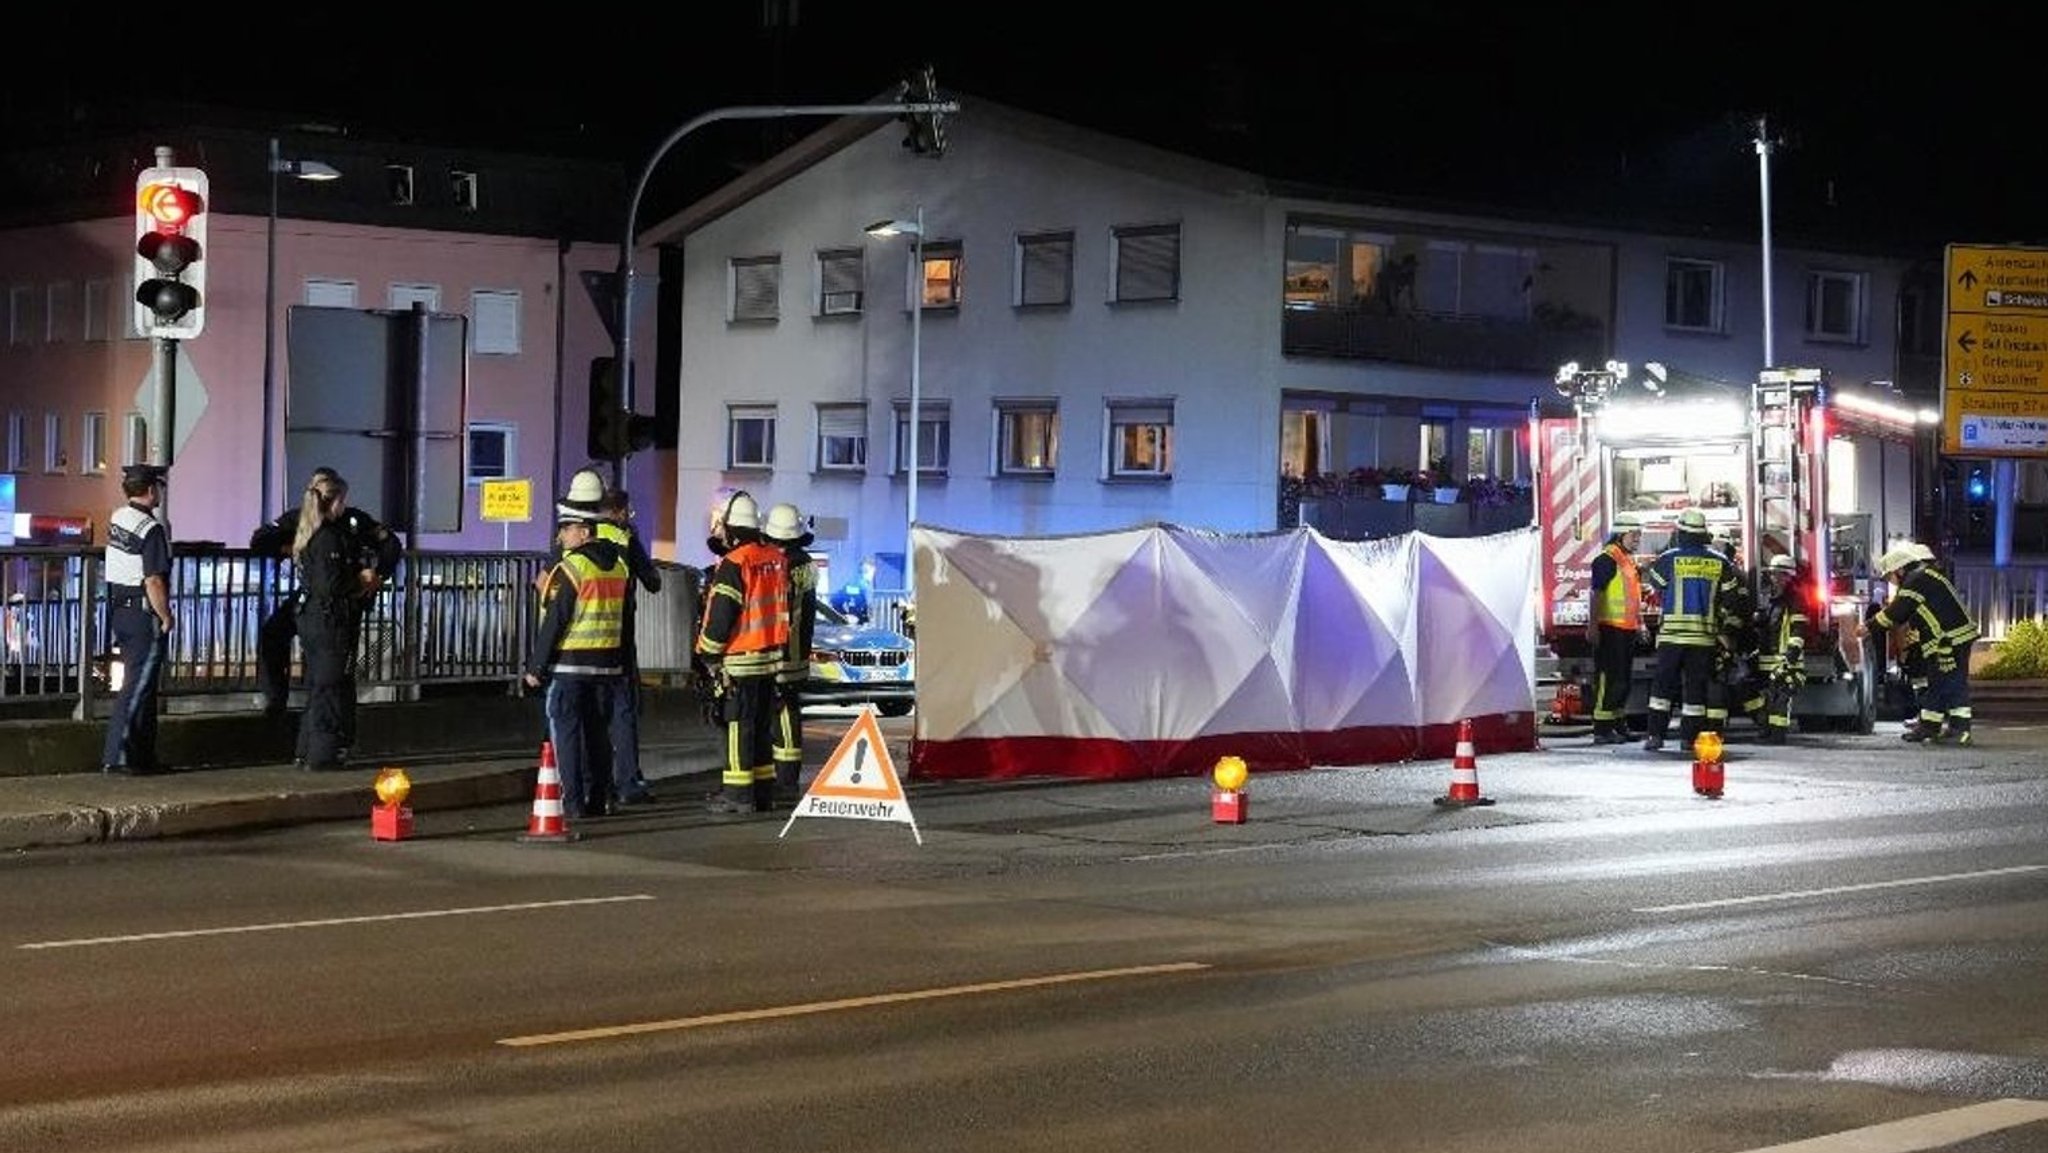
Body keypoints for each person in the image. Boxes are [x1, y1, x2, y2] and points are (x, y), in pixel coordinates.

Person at [252, 466, 401, 722]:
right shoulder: (299, 518)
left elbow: (390, 543)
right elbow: (261, 540)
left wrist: (378, 576)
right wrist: (288, 549)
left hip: (344, 601)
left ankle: (332, 724)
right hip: (312, 598)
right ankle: (277, 699)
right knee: (274, 635)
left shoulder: (353, 521)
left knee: (335, 668)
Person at [523, 503, 630, 818]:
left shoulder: (572, 568)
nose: (561, 537)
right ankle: (601, 798)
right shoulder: (618, 567)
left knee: (565, 731)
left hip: (571, 664)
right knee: (598, 733)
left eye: (566, 529)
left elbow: (555, 619)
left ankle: (572, 804)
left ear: (584, 532)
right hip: (607, 663)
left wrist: (535, 668)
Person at [696, 491, 789, 814]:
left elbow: (722, 614)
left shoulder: (735, 563)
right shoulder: (775, 558)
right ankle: (763, 792)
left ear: (733, 529)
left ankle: (737, 795)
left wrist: (708, 653)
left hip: (740, 658)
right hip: (770, 658)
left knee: (737, 724)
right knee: (762, 726)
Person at [291, 472, 375, 771]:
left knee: (318, 684)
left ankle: (306, 749)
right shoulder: (328, 537)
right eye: (343, 500)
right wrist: (361, 582)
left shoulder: (311, 531)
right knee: (328, 685)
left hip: (314, 618)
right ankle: (322, 754)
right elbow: (329, 584)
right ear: (334, 501)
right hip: (329, 620)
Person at [1641, 508, 1743, 753]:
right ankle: (1689, 739)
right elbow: (1732, 599)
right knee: (1695, 691)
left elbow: (1655, 584)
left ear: (1681, 532)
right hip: (1704, 639)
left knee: (1662, 689)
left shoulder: (1668, 559)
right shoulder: (1720, 562)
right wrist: (1721, 626)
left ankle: (1656, 736)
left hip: (1671, 637)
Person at [1862, 542, 1978, 745]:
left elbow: (1898, 611)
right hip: (1950, 637)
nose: (1891, 582)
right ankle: (1929, 727)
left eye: (1889, 576)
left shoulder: (1916, 579)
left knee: (1951, 682)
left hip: (1949, 639)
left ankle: (1960, 730)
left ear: (1899, 569)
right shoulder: (1924, 576)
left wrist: (1868, 627)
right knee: (1938, 682)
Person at [102, 464, 174, 775]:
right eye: (157, 487)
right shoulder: (150, 528)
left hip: (120, 611)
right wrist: (166, 615)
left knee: (139, 686)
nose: (159, 492)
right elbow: (153, 580)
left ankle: (142, 757)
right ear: (149, 491)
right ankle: (118, 756)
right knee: (138, 686)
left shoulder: (118, 518)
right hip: (143, 614)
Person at [595, 484, 662, 808]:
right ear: (620, 511)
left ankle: (594, 783)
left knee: (589, 713)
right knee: (624, 710)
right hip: (618, 636)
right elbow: (654, 582)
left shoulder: (576, 534)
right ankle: (627, 782)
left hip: (579, 640)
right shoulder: (625, 538)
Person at [763, 501, 818, 800]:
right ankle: (788, 778)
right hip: (798, 653)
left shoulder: (774, 565)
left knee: (776, 714)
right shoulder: (807, 564)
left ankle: (781, 781)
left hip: (774, 653)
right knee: (790, 712)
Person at [1585, 511, 1646, 745]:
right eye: (1634, 534)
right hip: (1609, 628)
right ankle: (1602, 729)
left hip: (1625, 629)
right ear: (1620, 535)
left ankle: (1619, 724)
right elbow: (1596, 593)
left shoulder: (1626, 560)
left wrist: (1639, 623)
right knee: (1608, 679)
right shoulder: (1606, 560)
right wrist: (1593, 626)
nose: (1638, 539)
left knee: (1622, 679)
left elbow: (1633, 597)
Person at [1742, 553, 1809, 744]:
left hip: (1787, 662)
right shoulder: (1768, 598)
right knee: (1744, 685)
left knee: (1778, 693)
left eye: (1780, 574)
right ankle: (1764, 725)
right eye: (1773, 574)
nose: (1775, 578)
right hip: (1764, 660)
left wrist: (1790, 657)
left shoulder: (1796, 600)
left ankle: (1777, 734)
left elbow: (1798, 630)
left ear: (1790, 576)